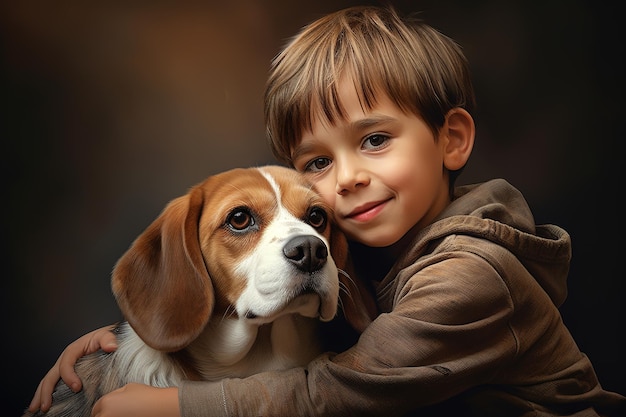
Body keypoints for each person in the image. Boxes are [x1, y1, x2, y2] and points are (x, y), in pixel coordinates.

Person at [27, 5, 625, 417]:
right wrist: (116, 347)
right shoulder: (355, 246)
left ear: (452, 140)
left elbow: (340, 393)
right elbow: (184, 298)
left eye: (374, 140)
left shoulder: (475, 274)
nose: (348, 178)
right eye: (316, 163)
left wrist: (175, 406)